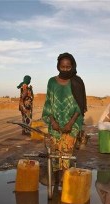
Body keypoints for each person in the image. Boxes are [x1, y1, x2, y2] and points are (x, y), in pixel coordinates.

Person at [42, 52, 87, 182]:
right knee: (55, 153)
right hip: (54, 123)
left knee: (66, 154)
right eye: (63, 67)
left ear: (72, 66)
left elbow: (80, 105)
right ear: (58, 66)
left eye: (68, 67)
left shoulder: (77, 82)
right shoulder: (51, 82)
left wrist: (70, 123)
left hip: (71, 124)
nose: (66, 69)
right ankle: (56, 179)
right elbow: (48, 103)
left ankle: (64, 179)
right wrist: (52, 121)